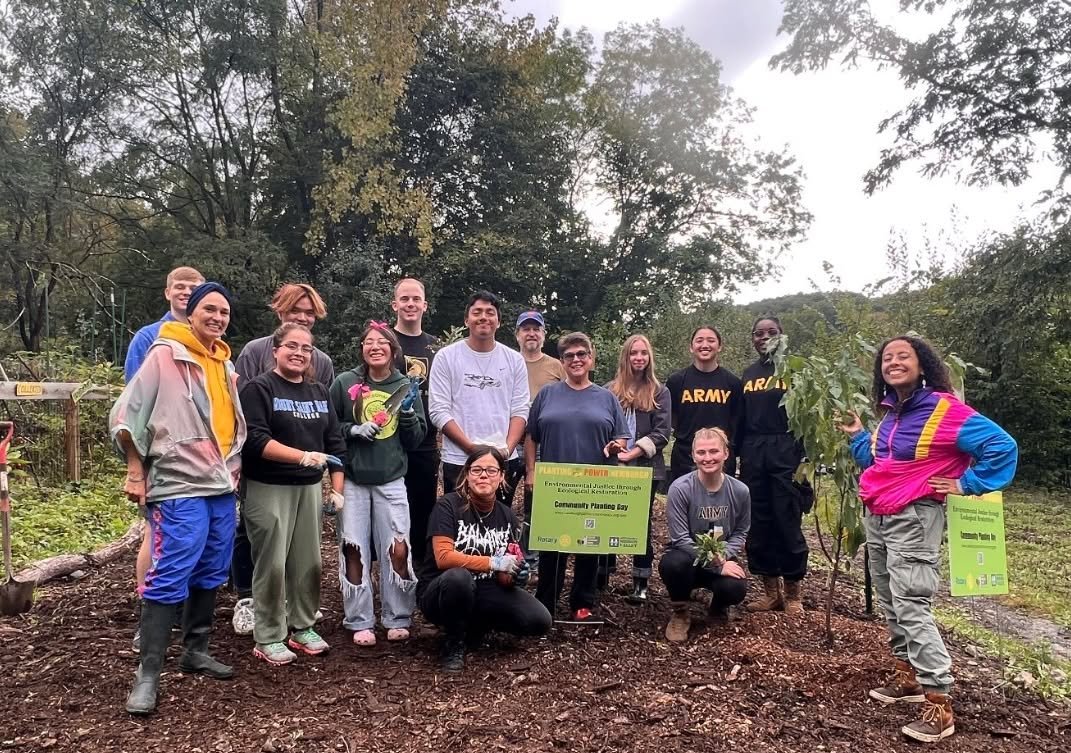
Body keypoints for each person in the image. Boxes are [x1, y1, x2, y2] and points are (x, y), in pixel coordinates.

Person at [838, 335, 1017, 744]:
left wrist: (966, 482)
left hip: (914, 517)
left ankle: (940, 703)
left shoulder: (945, 409)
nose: (893, 362)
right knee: (890, 600)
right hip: (880, 515)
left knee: (912, 603)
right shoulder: (891, 413)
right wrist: (857, 435)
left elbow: (1002, 446)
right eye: (887, 358)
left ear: (924, 365)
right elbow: (879, 463)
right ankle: (909, 677)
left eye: (904, 356)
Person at [109, 282, 246, 715]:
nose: (218, 318)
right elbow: (126, 414)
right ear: (191, 311)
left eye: (224, 312)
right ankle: (148, 673)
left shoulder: (223, 364)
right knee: (171, 570)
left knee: (212, 567)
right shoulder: (166, 355)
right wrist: (136, 469)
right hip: (178, 483)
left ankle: (195, 650)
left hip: (220, 483)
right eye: (210, 309)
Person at [239, 323, 347, 665]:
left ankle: (302, 626)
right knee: (271, 563)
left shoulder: (318, 392)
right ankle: (269, 634)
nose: (299, 353)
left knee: (309, 562)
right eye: (292, 346)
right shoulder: (259, 389)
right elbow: (254, 440)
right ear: (275, 350)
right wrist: (300, 456)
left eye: (306, 348)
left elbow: (334, 443)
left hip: (308, 488)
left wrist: (337, 488)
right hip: (269, 487)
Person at [231, 283, 334, 634]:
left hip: (305, 479)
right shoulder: (253, 354)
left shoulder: (321, 364)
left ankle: (297, 610)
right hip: (264, 472)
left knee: (304, 549)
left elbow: (326, 421)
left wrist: (332, 478)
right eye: (296, 311)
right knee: (254, 534)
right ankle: (249, 600)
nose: (303, 317)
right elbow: (244, 419)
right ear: (280, 313)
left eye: (309, 313)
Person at [123, 265, 205, 652]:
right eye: (180, 286)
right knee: (155, 535)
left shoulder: (207, 338)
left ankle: (186, 613)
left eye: (194, 287)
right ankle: (150, 615)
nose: (187, 292)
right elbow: (135, 401)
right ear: (167, 292)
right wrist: (136, 463)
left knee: (195, 538)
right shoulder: (149, 338)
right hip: (162, 452)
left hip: (202, 459)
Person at [330, 322, 426, 646]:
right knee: (354, 549)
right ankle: (358, 619)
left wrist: (410, 412)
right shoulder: (345, 383)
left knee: (398, 549)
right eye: (368, 342)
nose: (375, 347)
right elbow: (331, 428)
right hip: (355, 480)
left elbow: (416, 439)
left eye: (382, 343)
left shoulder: (405, 384)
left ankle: (397, 616)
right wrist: (352, 431)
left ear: (393, 349)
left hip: (391, 480)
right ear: (361, 349)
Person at [417, 446, 552, 671]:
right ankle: (454, 643)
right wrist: (493, 562)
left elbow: (503, 579)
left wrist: (516, 575)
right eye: (477, 470)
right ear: (467, 476)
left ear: (501, 477)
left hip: (485, 589)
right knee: (459, 578)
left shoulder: (507, 516)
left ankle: (476, 626)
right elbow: (443, 558)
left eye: (491, 470)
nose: (483, 475)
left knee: (539, 620)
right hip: (441, 590)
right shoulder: (448, 506)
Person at [526, 332, 629, 623]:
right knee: (550, 546)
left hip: (593, 483)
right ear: (562, 362)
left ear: (591, 358)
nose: (576, 360)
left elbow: (621, 437)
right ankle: (546, 600)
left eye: (581, 354)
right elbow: (531, 437)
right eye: (569, 355)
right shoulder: (547, 394)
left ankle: (582, 602)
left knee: (588, 544)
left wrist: (617, 446)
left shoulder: (606, 397)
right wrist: (531, 471)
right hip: (553, 482)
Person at [739, 317, 811, 614]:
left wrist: (806, 460)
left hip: (787, 450)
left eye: (771, 332)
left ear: (782, 336)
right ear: (752, 338)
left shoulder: (795, 370)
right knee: (760, 521)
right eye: (759, 333)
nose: (764, 337)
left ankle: (794, 593)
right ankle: (771, 592)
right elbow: (741, 419)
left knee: (788, 518)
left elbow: (808, 417)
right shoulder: (748, 374)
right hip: (755, 451)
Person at [428, 291, 528, 500]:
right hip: (459, 460)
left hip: (502, 460)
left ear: (498, 321)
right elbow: (439, 411)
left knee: (498, 527)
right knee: (459, 524)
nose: (484, 317)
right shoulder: (446, 357)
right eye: (477, 312)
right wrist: (473, 450)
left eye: (490, 312)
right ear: (467, 320)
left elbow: (520, 409)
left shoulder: (514, 360)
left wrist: (506, 451)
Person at [659, 428, 750, 643]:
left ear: (726, 453)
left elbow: (741, 531)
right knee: (672, 564)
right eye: (701, 452)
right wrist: (716, 563)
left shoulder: (740, 491)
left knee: (735, 587)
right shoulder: (680, 488)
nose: (707, 458)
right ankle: (680, 611)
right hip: (687, 558)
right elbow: (680, 538)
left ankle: (718, 607)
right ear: (693, 455)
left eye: (713, 451)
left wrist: (724, 557)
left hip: (721, 556)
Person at [606, 334, 671, 603]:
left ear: (649, 357)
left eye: (644, 353)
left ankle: (640, 582)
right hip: (611, 465)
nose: (639, 358)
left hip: (644, 467)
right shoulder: (608, 390)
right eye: (634, 353)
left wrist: (634, 450)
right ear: (626, 356)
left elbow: (663, 431)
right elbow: (602, 424)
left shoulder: (659, 391)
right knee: (608, 518)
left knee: (639, 524)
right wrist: (611, 448)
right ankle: (603, 573)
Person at [392, 277, 439, 564]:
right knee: (391, 508)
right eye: (404, 299)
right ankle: (388, 568)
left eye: (416, 299)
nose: (410, 304)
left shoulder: (437, 347)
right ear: (395, 304)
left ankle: (420, 569)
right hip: (390, 440)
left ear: (425, 305)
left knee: (423, 507)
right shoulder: (384, 341)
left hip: (426, 441)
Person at [515, 310, 564, 561]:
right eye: (526, 329)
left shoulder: (557, 366)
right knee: (500, 497)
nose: (531, 333)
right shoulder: (508, 361)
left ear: (544, 336)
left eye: (537, 329)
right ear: (518, 335)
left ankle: (532, 558)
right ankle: (502, 552)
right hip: (511, 439)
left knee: (537, 503)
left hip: (544, 442)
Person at [665, 326, 742, 482]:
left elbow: (737, 419)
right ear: (691, 347)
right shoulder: (676, 381)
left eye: (711, 340)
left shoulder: (733, 383)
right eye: (699, 341)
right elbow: (670, 416)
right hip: (684, 456)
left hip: (721, 457)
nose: (705, 345)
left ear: (719, 346)